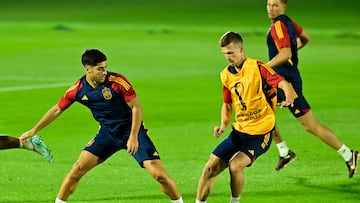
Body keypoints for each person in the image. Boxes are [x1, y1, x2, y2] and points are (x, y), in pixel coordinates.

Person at [20, 48, 183, 203]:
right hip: (107, 134)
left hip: (132, 131)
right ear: (88, 69)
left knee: (158, 174)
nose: (105, 72)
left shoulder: (118, 82)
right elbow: (57, 109)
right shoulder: (78, 89)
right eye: (100, 69)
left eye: (105, 67)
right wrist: (34, 130)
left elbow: (137, 108)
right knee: (77, 170)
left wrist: (133, 137)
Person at [195, 31, 294, 203]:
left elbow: (281, 82)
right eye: (225, 53)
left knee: (235, 166)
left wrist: (289, 95)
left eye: (231, 53)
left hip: (261, 133)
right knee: (210, 167)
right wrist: (223, 124)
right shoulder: (225, 75)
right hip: (239, 131)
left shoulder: (257, 67)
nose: (227, 57)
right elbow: (227, 104)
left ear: (241, 49)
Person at [266, 0, 358, 177]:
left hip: (287, 82)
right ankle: (284, 152)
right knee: (263, 110)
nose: (271, 8)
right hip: (282, 79)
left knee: (310, 125)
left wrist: (263, 68)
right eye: (269, 4)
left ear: (284, 6)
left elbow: (285, 54)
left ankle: (348, 154)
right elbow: (306, 37)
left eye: (275, 5)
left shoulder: (278, 25)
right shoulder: (288, 22)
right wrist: (292, 50)